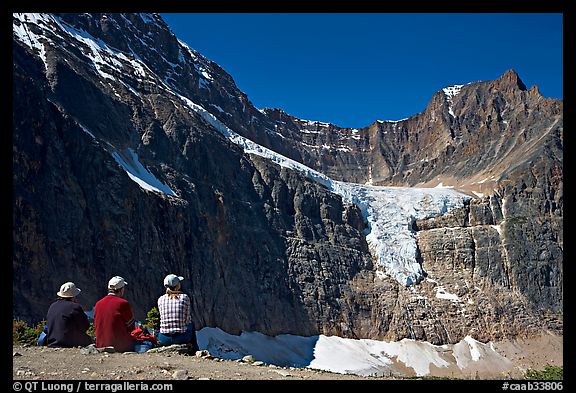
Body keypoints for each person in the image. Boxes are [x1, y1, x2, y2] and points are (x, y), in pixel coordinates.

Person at [157, 274, 199, 351]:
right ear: (177, 285)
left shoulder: (160, 299)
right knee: (191, 324)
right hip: (181, 338)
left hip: (164, 338)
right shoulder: (184, 297)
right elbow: (187, 320)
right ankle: (195, 350)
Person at [94, 276, 136, 352]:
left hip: (100, 344)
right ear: (121, 290)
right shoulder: (123, 303)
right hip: (119, 345)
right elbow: (131, 327)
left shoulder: (98, 304)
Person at [45, 282, 93, 347]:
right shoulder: (74, 307)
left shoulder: (52, 306)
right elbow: (85, 326)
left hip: (51, 342)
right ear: (73, 296)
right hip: (68, 343)